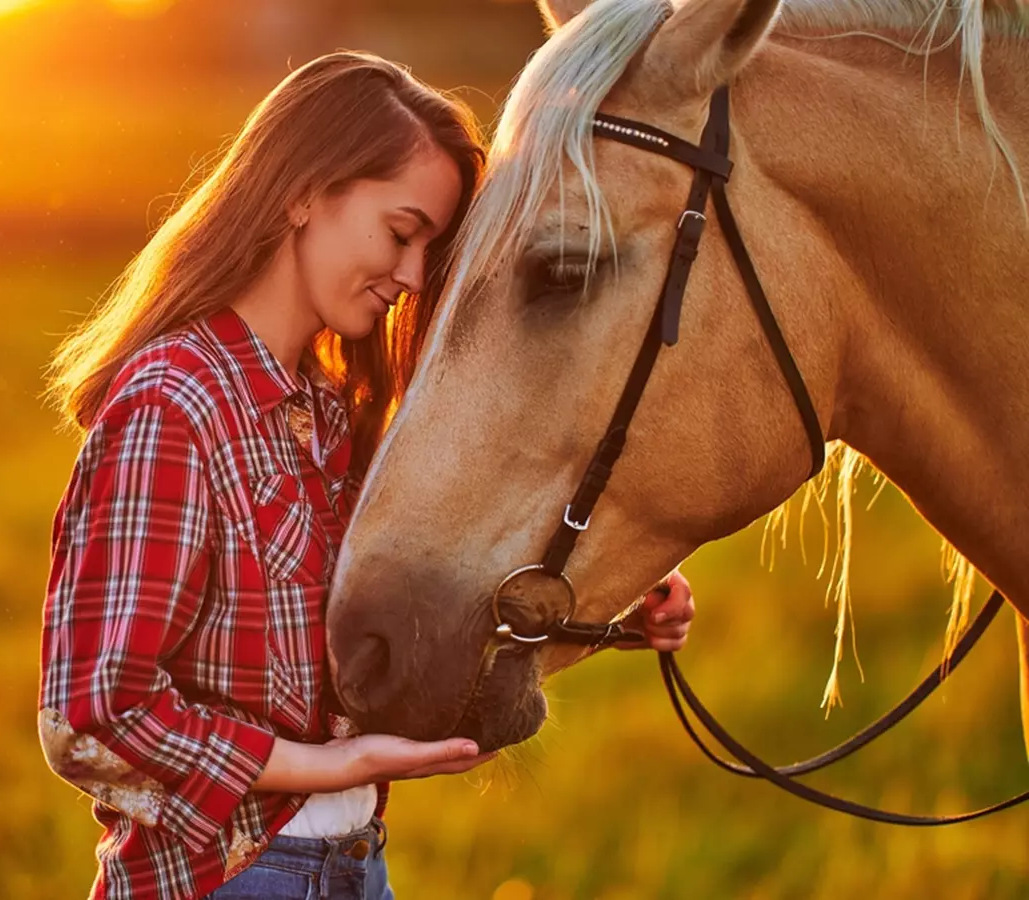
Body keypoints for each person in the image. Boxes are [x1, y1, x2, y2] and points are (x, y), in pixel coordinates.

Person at [37, 51, 697, 900]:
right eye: (402, 232)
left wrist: (619, 603)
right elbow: (96, 710)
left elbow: (410, 589)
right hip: (226, 880)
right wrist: (327, 763)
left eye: (429, 247)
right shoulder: (175, 406)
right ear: (305, 192)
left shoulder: (334, 416)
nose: (414, 277)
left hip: (354, 868)